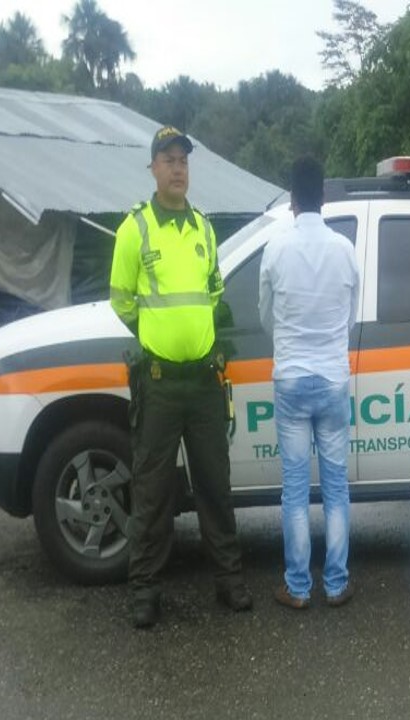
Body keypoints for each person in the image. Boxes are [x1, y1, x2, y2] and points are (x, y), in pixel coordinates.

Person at [110, 126, 252, 628]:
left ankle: (229, 580)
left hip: (203, 381)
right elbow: (122, 300)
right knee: (152, 491)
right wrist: (157, 336)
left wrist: (193, 338)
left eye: (183, 162)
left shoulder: (204, 230)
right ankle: (145, 590)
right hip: (160, 382)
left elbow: (213, 295)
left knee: (216, 484)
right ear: (152, 168)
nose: (177, 169)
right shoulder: (135, 229)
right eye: (168, 160)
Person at [258, 156, 360, 610]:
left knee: (295, 491)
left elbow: (266, 318)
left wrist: (289, 346)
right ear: (323, 196)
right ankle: (336, 584)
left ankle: (298, 588)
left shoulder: (276, 249)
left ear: (293, 199)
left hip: (292, 380)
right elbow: (351, 315)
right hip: (334, 379)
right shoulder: (344, 249)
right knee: (336, 488)